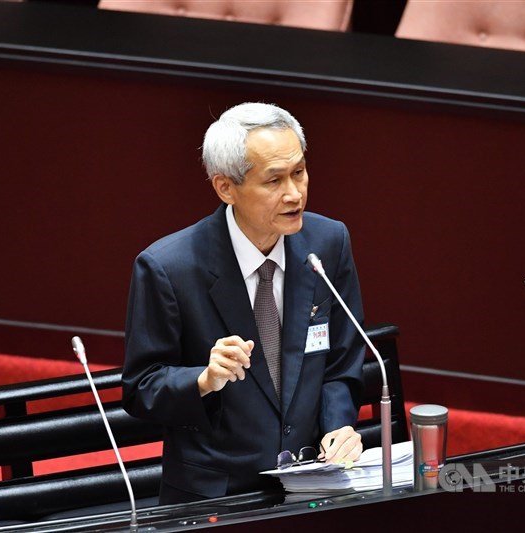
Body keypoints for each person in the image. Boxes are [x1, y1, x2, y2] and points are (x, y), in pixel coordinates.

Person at [122, 102, 366, 504]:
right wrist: (203, 379)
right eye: (274, 181)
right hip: (217, 495)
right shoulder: (168, 268)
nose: (294, 193)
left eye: (299, 173)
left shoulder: (328, 244)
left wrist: (338, 426)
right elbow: (141, 388)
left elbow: (340, 361)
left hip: (312, 484)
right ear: (225, 187)